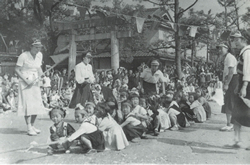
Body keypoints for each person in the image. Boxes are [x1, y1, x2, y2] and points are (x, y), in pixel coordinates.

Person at [15, 39, 45, 136]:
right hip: (25, 81)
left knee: (36, 104)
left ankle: (32, 125)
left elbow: (39, 68)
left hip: (35, 81)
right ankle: (28, 127)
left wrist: (43, 77)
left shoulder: (40, 55)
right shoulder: (23, 56)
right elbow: (17, 69)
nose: (38, 49)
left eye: (39, 47)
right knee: (28, 104)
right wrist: (25, 80)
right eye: (36, 47)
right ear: (31, 46)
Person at [228, 31, 250, 149]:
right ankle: (237, 140)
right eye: (233, 39)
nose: (234, 42)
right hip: (241, 84)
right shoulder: (243, 52)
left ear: (243, 39)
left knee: (246, 113)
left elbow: (247, 71)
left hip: (246, 86)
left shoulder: (247, 52)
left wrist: (244, 87)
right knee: (236, 113)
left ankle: (238, 140)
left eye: (236, 39)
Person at [216, 43, 238, 131]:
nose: (219, 51)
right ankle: (231, 123)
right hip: (230, 80)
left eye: (221, 49)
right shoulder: (227, 57)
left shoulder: (230, 57)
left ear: (227, 48)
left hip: (232, 81)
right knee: (228, 102)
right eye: (219, 49)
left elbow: (231, 72)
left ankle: (230, 124)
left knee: (229, 102)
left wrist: (226, 84)